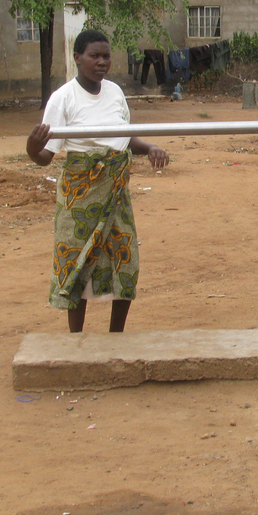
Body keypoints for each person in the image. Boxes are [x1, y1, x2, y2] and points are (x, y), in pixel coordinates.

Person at [26, 29, 169, 333]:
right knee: (78, 265)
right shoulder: (63, 99)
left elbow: (123, 136)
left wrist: (149, 148)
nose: (101, 62)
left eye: (106, 56)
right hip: (80, 196)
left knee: (125, 259)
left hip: (116, 191)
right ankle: (75, 339)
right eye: (94, 55)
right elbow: (45, 157)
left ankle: (115, 336)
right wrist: (31, 148)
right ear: (77, 58)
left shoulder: (115, 92)